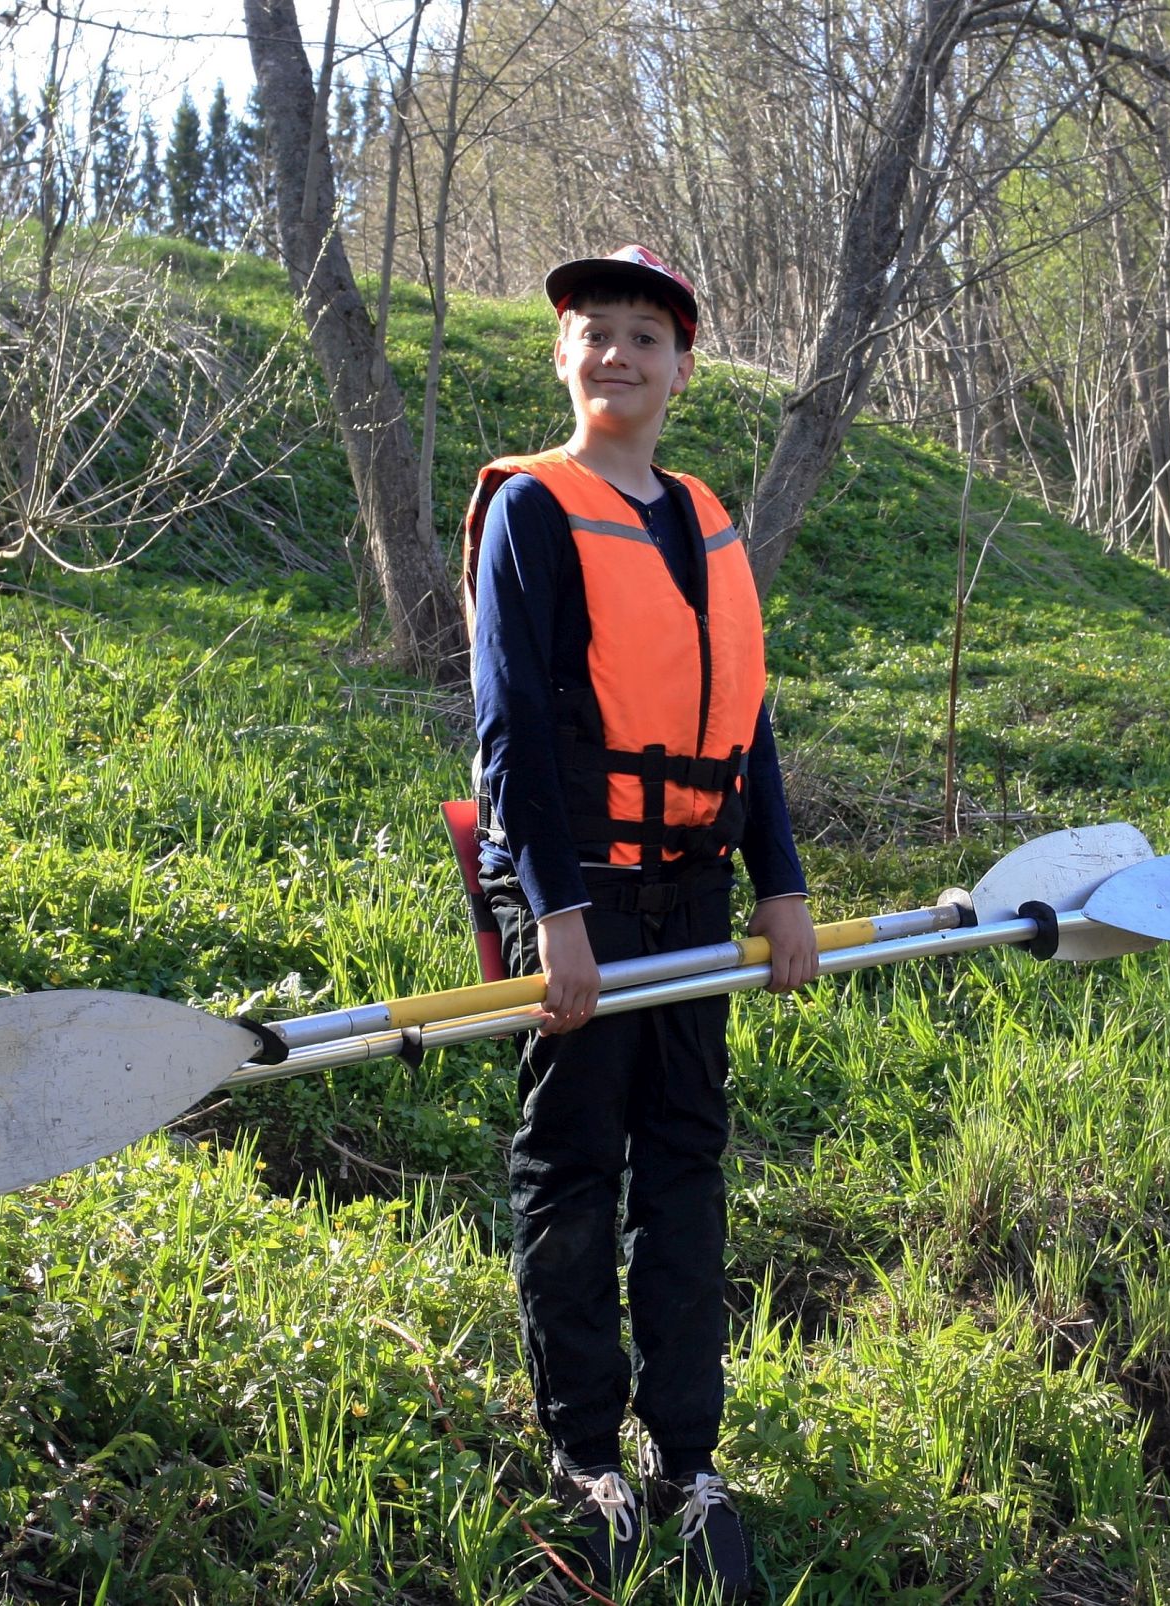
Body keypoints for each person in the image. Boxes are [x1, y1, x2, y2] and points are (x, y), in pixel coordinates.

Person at [460, 245, 819, 1600]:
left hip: (695, 889)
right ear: (563, 356)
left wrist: (779, 884)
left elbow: (748, 723)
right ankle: (581, 1451)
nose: (617, 354)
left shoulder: (699, 518)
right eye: (593, 333)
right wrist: (555, 916)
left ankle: (686, 1450)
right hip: (583, 890)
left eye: (643, 337)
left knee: (684, 1158)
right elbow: (515, 733)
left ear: (682, 365)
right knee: (572, 1161)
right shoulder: (534, 513)